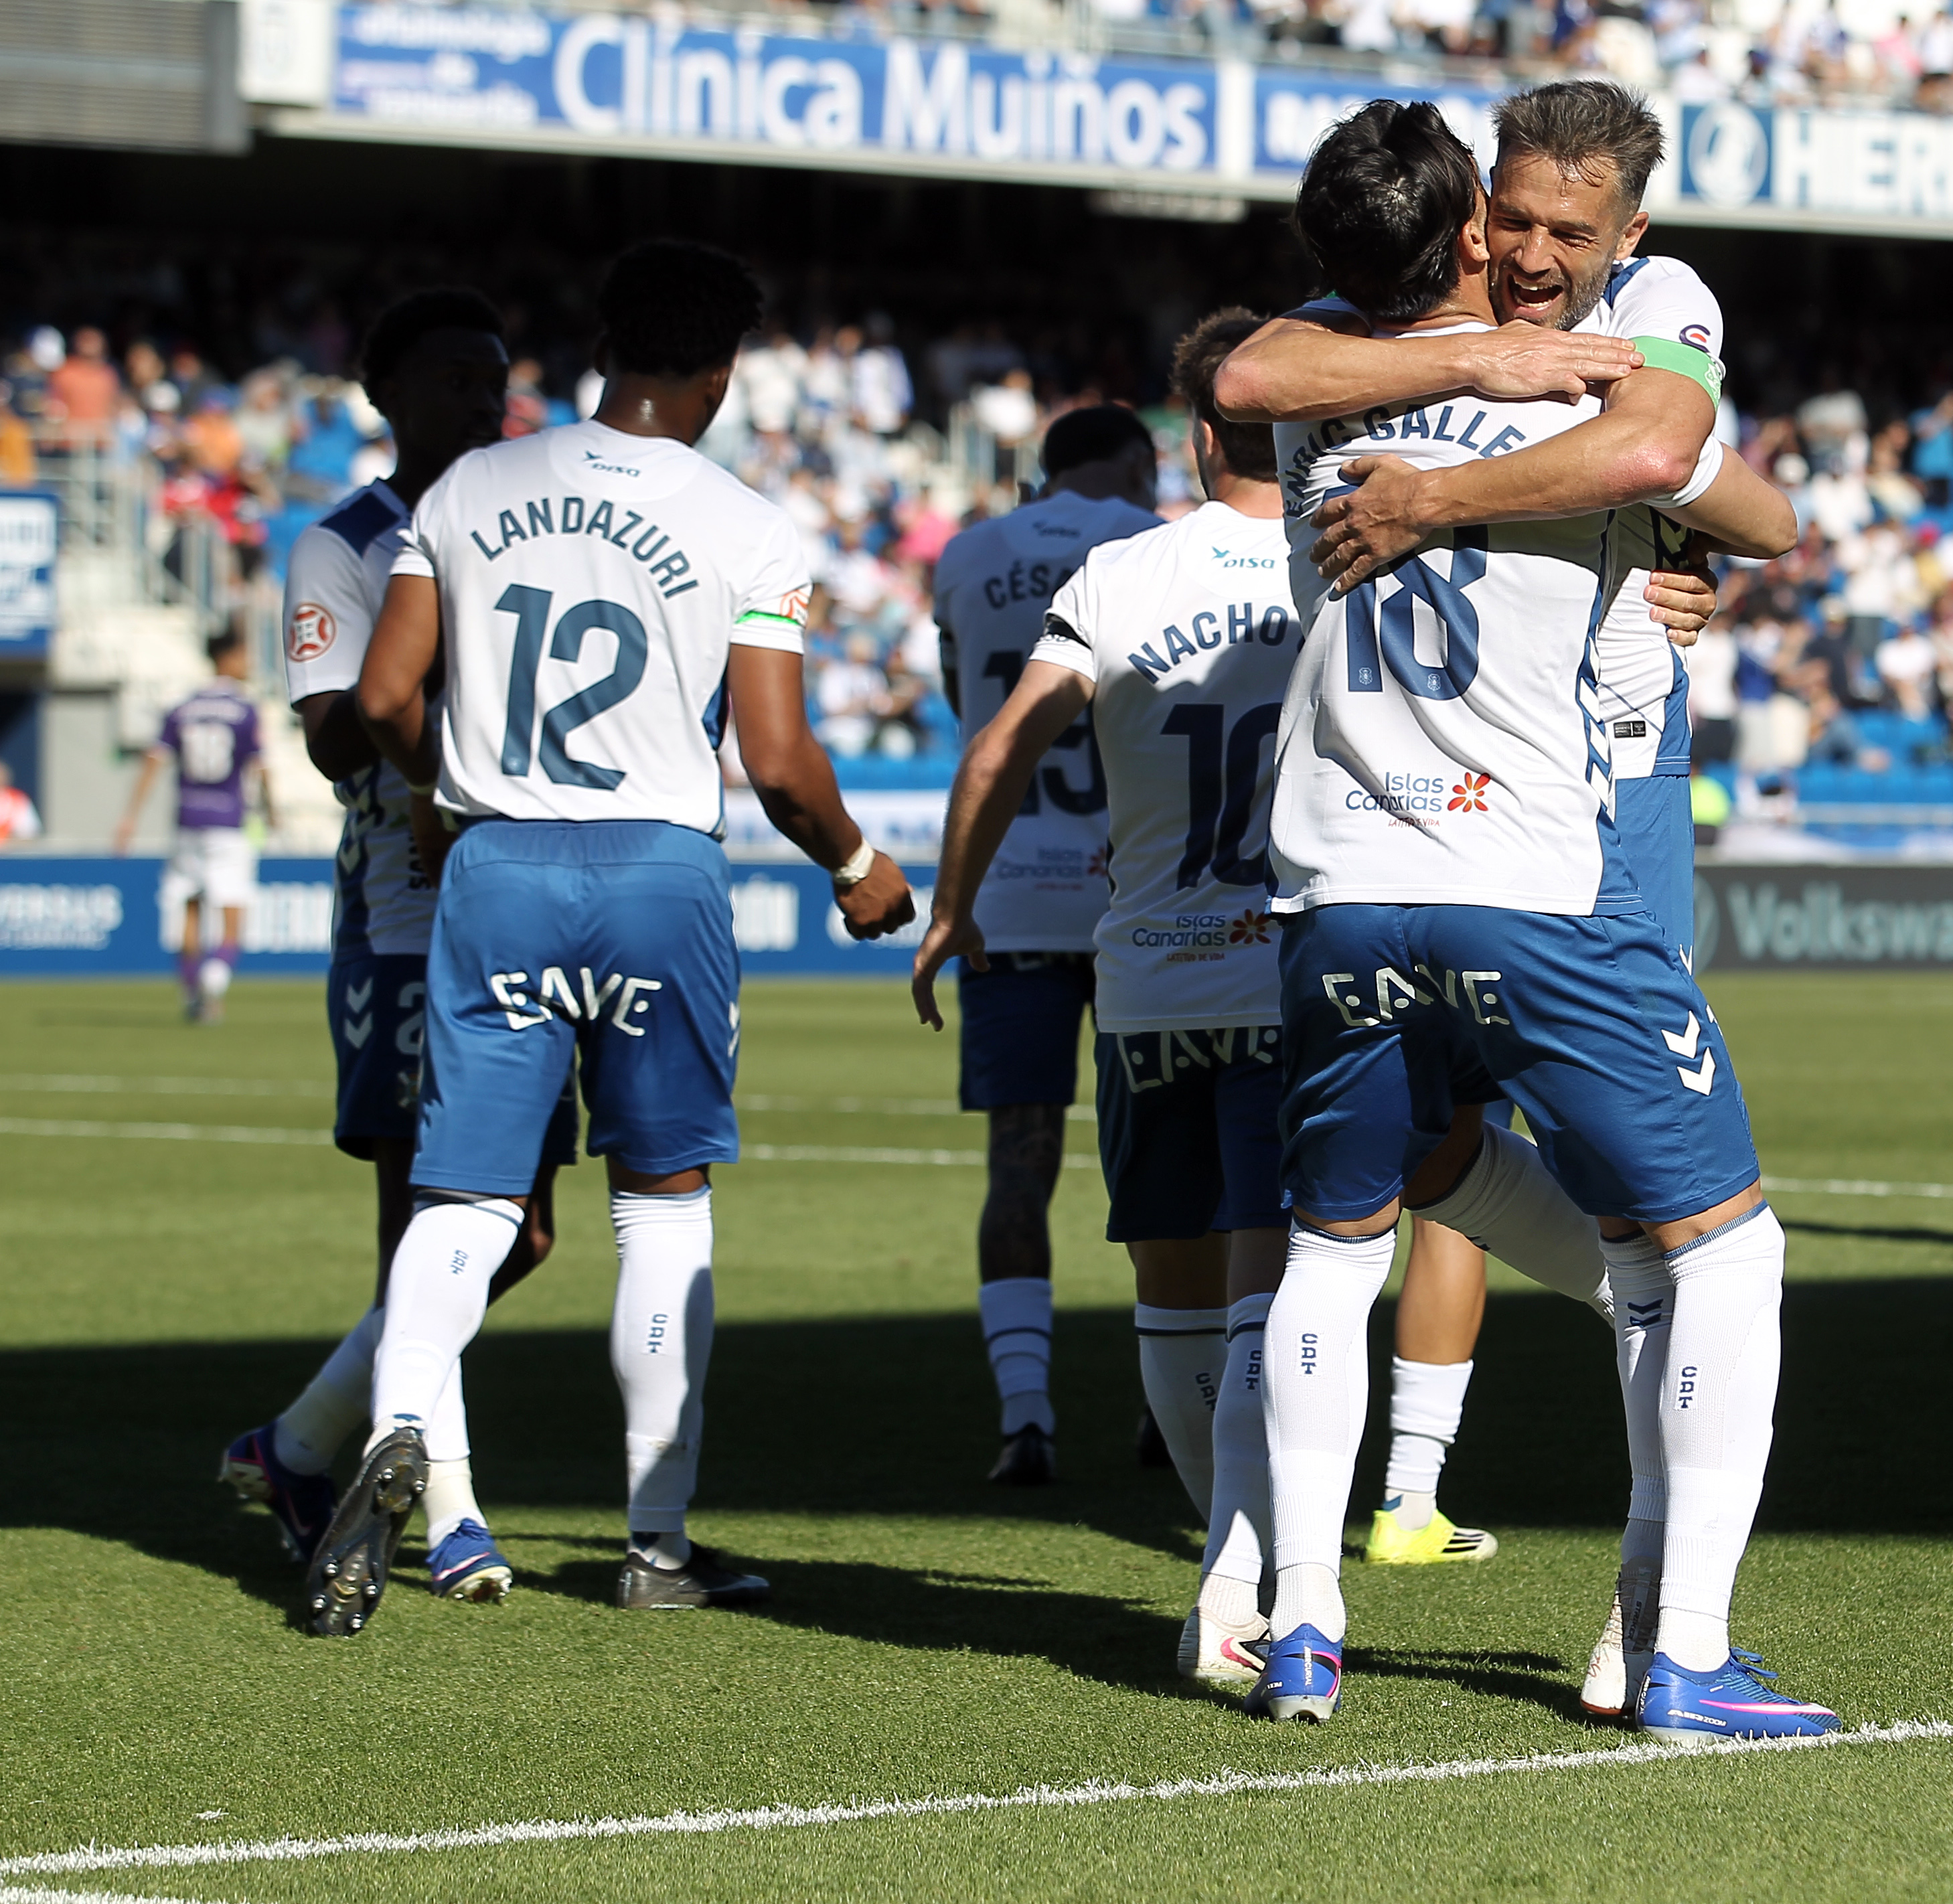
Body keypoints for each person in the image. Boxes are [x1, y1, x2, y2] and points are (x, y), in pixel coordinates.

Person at [1245, 100, 1831, 1743]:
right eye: (1511, 221)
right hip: (1546, 837)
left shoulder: (1644, 323)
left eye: (1575, 233)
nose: (1536, 255)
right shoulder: (1519, 356)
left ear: (1630, 241)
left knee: (1378, 1211)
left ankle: (1350, 1611)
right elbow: (1696, 474)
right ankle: (1673, 1650)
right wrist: (1597, 468)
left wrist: (1458, 498)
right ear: (1468, 217)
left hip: (1416, 845)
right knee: (1691, 1241)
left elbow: (1732, 499)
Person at [311, 240, 915, 1638]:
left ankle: (404, 1422)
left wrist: (435, 794)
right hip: (656, 871)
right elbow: (774, 757)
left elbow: (389, 693)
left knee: (459, 1200)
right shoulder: (748, 522)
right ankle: (655, 1542)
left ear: (598, 344)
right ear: (721, 371)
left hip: (496, 863)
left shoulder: (469, 485)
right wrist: (861, 863)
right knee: (661, 1203)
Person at [914, 308, 1300, 1691]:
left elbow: (998, 754)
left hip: (1149, 977)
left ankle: (1219, 1564)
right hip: (1286, 971)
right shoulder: (1353, 560)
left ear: (1197, 436)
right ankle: (1238, 1583)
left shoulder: (1123, 572)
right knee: (1276, 1290)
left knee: (1173, 1294)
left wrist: (953, 904)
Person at [218, 289, 572, 1604]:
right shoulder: (348, 543)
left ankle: (304, 1443)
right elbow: (326, 728)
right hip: (404, 916)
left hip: (524, 897)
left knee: (518, 1229)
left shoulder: (522, 532)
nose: (487, 405)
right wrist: (434, 741)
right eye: (457, 383)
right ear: (389, 400)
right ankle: (452, 1511)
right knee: (423, 1220)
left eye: (498, 381)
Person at [929, 405, 1161, 1484]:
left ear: (1039, 475)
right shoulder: (1152, 545)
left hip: (1011, 894)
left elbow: (962, 707)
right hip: (1138, 898)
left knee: (1019, 1164)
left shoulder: (970, 555)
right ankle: (1178, 1404)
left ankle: (1025, 1418)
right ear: (1140, 464)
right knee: (1169, 1161)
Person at [114, 628, 275, 1022]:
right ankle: (213, 982)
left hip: (187, 819)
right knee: (232, 913)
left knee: (189, 908)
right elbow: (260, 765)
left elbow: (154, 761)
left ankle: (190, 992)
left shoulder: (182, 707)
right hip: (229, 822)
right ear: (228, 657)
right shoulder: (245, 709)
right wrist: (272, 810)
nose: (249, 662)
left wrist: (130, 817)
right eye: (244, 653)